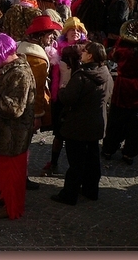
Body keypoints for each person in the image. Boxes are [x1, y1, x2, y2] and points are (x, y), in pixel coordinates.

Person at [0, 33, 35, 219]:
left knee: (11, 172)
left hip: (13, 133)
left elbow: (16, 108)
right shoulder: (5, 67)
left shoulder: (20, 73)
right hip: (0, 130)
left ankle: (11, 207)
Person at [51, 41, 114, 205]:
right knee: (92, 159)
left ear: (90, 55)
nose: (82, 53)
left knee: (76, 162)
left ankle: (69, 195)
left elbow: (67, 98)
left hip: (78, 126)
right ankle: (91, 190)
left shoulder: (82, 76)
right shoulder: (105, 72)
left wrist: (63, 89)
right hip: (96, 123)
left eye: (85, 51)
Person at [16, 14, 62, 190]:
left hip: (17, 107)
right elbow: (36, 90)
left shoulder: (21, 50)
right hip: (27, 109)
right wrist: (38, 115)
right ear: (41, 35)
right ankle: (21, 177)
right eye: (49, 34)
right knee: (23, 145)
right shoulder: (38, 60)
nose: (52, 38)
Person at [41, 17, 88, 176]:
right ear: (65, 33)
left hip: (78, 98)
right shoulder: (58, 51)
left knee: (76, 136)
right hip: (61, 97)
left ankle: (76, 169)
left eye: (78, 30)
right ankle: (54, 163)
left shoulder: (86, 50)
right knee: (59, 134)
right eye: (72, 29)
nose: (75, 32)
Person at [101, 19, 138, 165]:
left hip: (123, 86)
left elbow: (111, 56)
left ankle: (109, 149)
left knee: (116, 119)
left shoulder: (120, 49)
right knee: (135, 122)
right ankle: (129, 152)